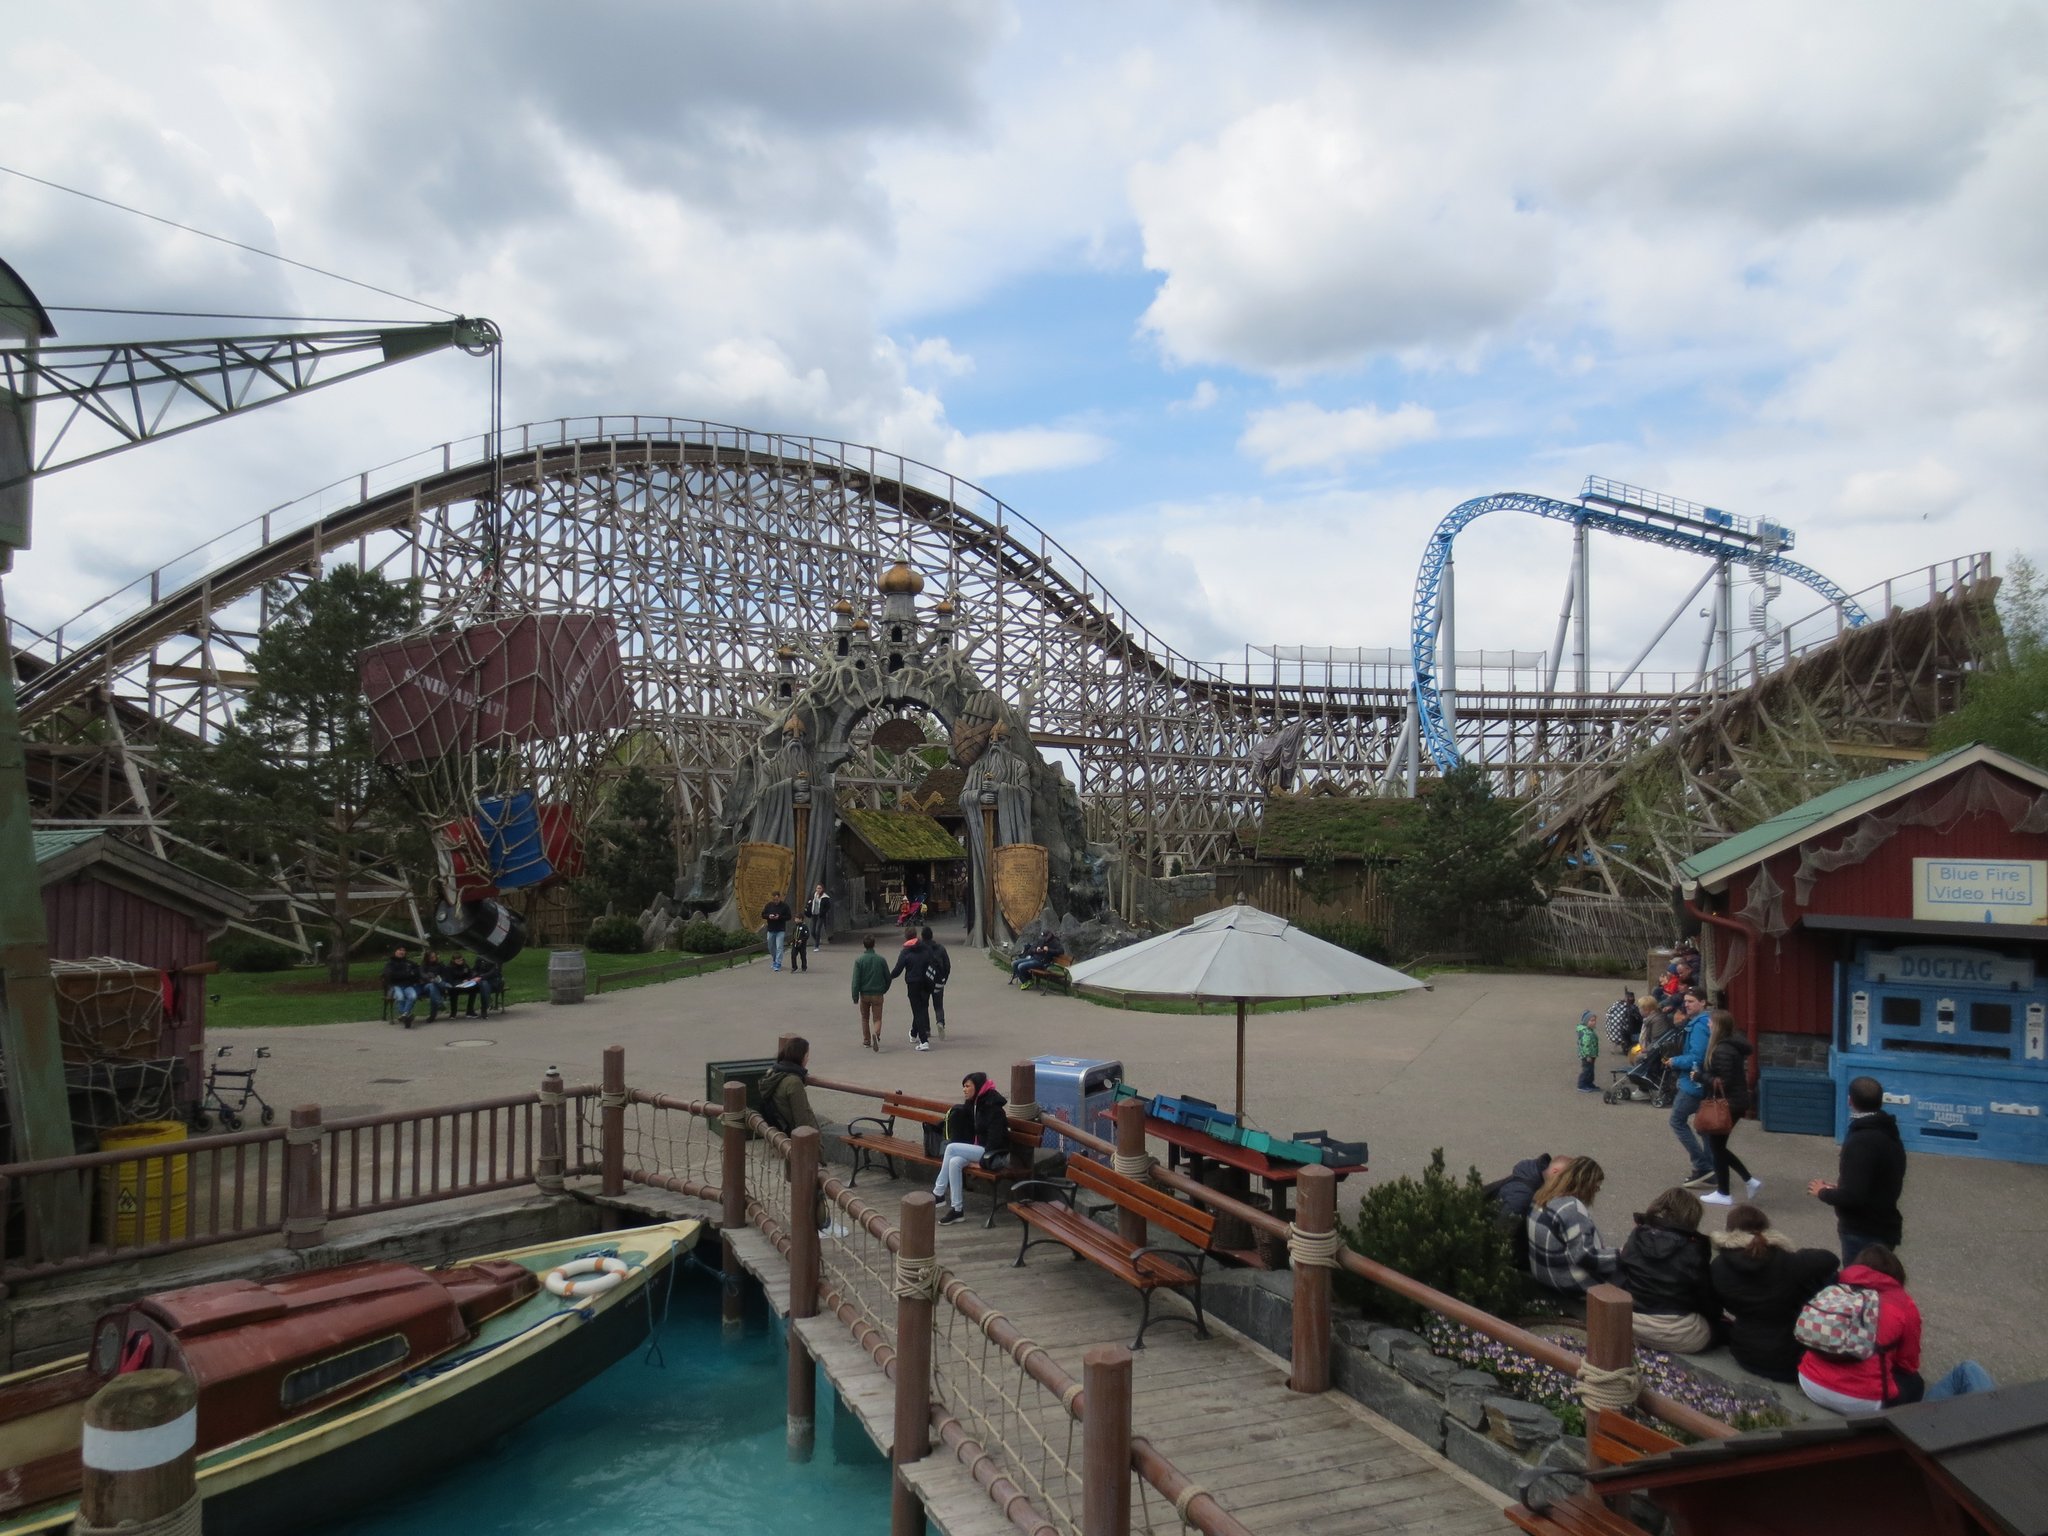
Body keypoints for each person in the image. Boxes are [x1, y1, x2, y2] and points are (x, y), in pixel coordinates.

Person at [1708, 1206, 1839, 1381]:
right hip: (1789, 1357)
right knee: (1829, 1277)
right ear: (1766, 1228)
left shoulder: (1718, 1266)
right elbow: (1831, 1260)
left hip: (1744, 1352)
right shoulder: (1788, 1261)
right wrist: (1797, 1255)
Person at [1808, 1075, 1906, 1265]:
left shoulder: (1861, 1141)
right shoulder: (1889, 1132)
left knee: (1859, 1285)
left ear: (1850, 1101)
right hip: (1884, 1224)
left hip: (1863, 1230)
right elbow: (1879, 1177)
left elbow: (1853, 1197)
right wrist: (1842, 1185)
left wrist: (1823, 1192)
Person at [1617, 1188, 1718, 1352]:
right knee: (1718, 1328)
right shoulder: (1694, 1248)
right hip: (1678, 1333)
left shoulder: (1638, 1235)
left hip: (1630, 1322)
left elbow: (1621, 1273)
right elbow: (1705, 1297)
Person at [1526, 1156, 1618, 1296]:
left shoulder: (1540, 1198)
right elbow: (1585, 1256)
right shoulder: (1570, 1209)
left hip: (1544, 1276)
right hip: (1569, 1283)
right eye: (1596, 1187)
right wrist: (1622, 1255)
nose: (1595, 1192)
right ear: (1586, 1184)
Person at [1697, 1009, 1759, 1207]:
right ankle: (1746, 1182)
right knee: (1719, 1147)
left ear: (1718, 1026)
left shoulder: (1722, 1050)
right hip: (1736, 1102)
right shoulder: (1732, 1046)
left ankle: (1726, 1191)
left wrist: (1700, 1077)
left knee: (1718, 1148)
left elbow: (1723, 1081)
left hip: (1728, 1103)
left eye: (1711, 1022)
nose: (1708, 1025)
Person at [930, 1071, 1009, 1225]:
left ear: (978, 1087)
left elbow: (996, 1141)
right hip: (979, 1150)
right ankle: (957, 1210)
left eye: (967, 1086)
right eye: (963, 1087)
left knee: (951, 1149)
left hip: (992, 1154)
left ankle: (938, 1193)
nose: (964, 1090)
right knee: (954, 1162)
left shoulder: (993, 1108)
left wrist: (982, 1162)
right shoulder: (974, 1104)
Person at [1667, 988, 1715, 1188]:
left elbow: (1697, 1057)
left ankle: (1702, 1165)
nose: (1687, 1004)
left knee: (1677, 1120)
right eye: (1685, 1001)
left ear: (1703, 1002)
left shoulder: (1700, 1026)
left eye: (1692, 1001)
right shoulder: (1703, 1023)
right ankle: (1713, 1168)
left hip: (1693, 1084)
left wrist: (1674, 1061)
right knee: (1704, 1127)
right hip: (1700, 1083)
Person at [758, 1036, 822, 1134]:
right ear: (801, 1057)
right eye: (807, 1055)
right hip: (798, 1140)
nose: (808, 1059)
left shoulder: (774, 1073)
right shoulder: (794, 1083)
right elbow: (802, 1121)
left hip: (779, 1131)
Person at [891, 928, 941, 1051]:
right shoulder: (926, 948)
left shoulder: (905, 952)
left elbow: (898, 969)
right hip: (926, 982)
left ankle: (924, 1040)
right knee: (921, 1008)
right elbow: (934, 962)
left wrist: (888, 977)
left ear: (906, 938)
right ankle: (914, 1033)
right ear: (916, 936)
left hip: (913, 983)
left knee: (917, 1010)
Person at [850, 936, 891, 1052]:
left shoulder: (859, 960)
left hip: (864, 994)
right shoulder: (881, 960)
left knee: (864, 1017)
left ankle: (866, 1040)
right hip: (878, 993)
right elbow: (888, 977)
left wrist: (855, 996)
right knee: (877, 1018)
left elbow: (856, 980)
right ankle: (876, 1034)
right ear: (874, 945)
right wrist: (884, 989)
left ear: (864, 945)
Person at [921, 925, 952, 1038]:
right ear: (932, 936)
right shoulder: (940, 948)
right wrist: (944, 979)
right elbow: (947, 966)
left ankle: (926, 1029)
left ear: (922, 937)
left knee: (924, 1006)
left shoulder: (920, 949)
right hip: (938, 981)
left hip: (924, 982)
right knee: (938, 1006)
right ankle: (940, 1022)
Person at [382, 946, 424, 1027]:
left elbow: (417, 970)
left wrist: (410, 974)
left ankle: (404, 1016)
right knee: (400, 997)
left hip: (408, 985)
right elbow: (391, 976)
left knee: (413, 996)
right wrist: (408, 974)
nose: (402, 952)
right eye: (399, 950)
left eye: (404, 950)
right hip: (395, 986)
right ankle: (406, 1016)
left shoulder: (409, 963)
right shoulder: (390, 964)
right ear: (395, 952)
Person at [440, 950, 481, 1018]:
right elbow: (450, 980)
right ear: (454, 960)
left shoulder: (465, 965)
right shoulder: (449, 968)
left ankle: (470, 1011)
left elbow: (470, 974)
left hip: (466, 985)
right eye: (458, 961)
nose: (460, 962)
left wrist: (468, 980)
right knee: (452, 991)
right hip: (455, 986)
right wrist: (461, 982)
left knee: (475, 988)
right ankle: (453, 1012)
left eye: (461, 960)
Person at [761, 895, 794, 973]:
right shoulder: (769, 905)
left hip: (780, 929)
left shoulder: (784, 906)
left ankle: (778, 963)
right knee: (770, 946)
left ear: (779, 898)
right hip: (771, 929)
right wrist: (769, 916)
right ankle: (775, 959)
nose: (775, 901)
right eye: (774, 899)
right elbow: (763, 915)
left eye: (777, 899)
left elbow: (789, 916)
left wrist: (779, 917)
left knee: (779, 946)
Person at [418, 948, 450, 1020]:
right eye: (431, 957)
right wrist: (430, 978)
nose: (433, 958)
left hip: (438, 984)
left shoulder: (440, 964)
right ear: (427, 958)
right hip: (426, 985)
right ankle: (439, 1003)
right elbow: (422, 975)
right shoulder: (423, 965)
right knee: (432, 986)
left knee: (434, 990)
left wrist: (439, 979)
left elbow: (445, 975)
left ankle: (433, 1015)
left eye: (434, 957)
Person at [1575, 1010, 1601, 1092]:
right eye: (1591, 1021)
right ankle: (1581, 1084)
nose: (1594, 1022)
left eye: (1594, 1020)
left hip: (1592, 1054)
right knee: (1587, 1070)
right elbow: (1585, 1045)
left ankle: (1589, 1083)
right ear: (1586, 1022)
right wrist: (1587, 1055)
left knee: (1591, 1070)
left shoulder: (1590, 1030)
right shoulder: (1586, 1033)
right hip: (1587, 1056)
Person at [807, 882, 832, 947]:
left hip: (820, 915)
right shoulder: (813, 895)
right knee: (812, 931)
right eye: (817, 888)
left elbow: (828, 906)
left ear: (822, 889)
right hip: (814, 914)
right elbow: (810, 902)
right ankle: (817, 939)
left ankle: (816, 945)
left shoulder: (825, 897)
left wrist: (823, 912)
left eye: (820, 888)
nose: (818, 890)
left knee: (818, 929)